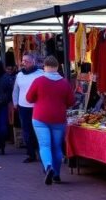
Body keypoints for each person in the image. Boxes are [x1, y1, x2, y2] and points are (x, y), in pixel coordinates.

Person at [25, 55, 75, 185]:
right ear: (57, 67)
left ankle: (48, 166)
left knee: (44, 145)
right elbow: (71, 101)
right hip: (58, 118)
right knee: (57, 147)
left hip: (40, 117)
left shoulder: (38, 81)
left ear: (45, 67)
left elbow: (29, 98)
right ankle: (57, 174)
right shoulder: (64, 82)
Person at [13, 54, 44, 163]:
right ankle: (30, 154)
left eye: (27, 61)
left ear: (33, 61)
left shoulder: (41, 74)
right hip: (23, 107)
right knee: (27, 131)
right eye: (23, 60)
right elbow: (16, 90)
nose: (24, 63)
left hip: (38, 107)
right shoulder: (19, 75)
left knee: (39, 130)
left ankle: (41, 153)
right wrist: (15, 102)